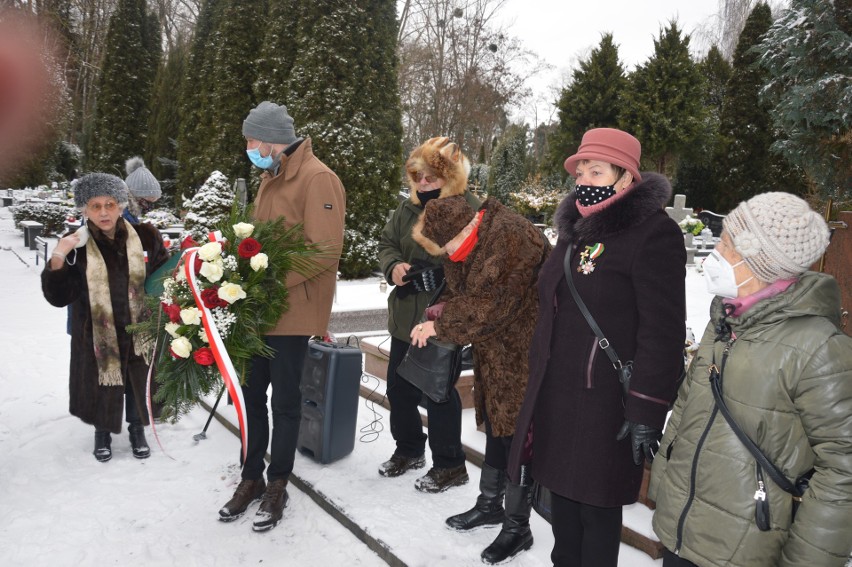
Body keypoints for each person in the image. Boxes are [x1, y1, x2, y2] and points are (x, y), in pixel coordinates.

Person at [507, 128, 687, 567]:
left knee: (595, 510)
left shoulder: (654, 232)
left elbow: (662, 330)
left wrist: (646, 407)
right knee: (563, 510)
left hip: (605, 402)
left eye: (598, 169)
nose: (586, 177)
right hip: (557, 391)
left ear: (625, 177)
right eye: (581, 169)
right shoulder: (575, 228)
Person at [649, 192, 852, 567]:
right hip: (684, 527)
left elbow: (843, 468)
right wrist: (664, 483)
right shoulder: (723, 321)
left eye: (726, 244)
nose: (716, 253)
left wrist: (807, 560)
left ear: (761, 262)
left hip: (746, 546)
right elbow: (687, 405)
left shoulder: (819, 348)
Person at [217, 101, 345, 533]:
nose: (250, 148)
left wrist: (267, 282)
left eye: (253, 140)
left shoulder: (318, 178)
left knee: (284, 403)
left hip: (291, 311)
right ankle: (250, 476)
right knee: (250, 398)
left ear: (271, 139)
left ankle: (277, 483)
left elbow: (324, 250)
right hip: (258, 311)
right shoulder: (269, 178)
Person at [411, 193, 549, 563]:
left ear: (467, 226)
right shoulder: (471, 240)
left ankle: (518, 527)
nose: (446, 253)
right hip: (495, 350)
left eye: (447, 244)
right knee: (498, 427)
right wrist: (443, 307)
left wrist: (440, 323)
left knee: (520, 434)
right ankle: (490, 505)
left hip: (527, 350)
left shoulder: (511, 237)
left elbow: (492, 304)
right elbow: (466, 292)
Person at [41, 173, 169, 462]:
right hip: (97, 333)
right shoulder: (76, 243)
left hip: (140, 328)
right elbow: (59, 297)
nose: (103, 212)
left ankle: (138, 429)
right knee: (103, 381)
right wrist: (59, 257)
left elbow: (163, 277)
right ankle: (102, 433)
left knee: (138, 380)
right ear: (84, 210)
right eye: (95, 206)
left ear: (122, 205)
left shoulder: (147, 237)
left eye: (109, 204)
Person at [376, 136, 479, 492]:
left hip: (442, 321)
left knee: (438, 393)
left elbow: (481, 266)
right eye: (417, 176)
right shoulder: (407, 209)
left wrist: (444, 280)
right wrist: (394, 267)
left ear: (450, 177)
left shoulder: (470, 209)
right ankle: (408, 449)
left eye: (431, 176)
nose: (423, 184)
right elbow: (386, 243)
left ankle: (450, 465)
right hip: (406, 317)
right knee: (399, 390)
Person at [122, 157, 161, 224]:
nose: (149, 207)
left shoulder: (131, 213)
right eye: (147, 201)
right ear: (135, 197)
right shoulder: (123, 216)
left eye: (153, 201)